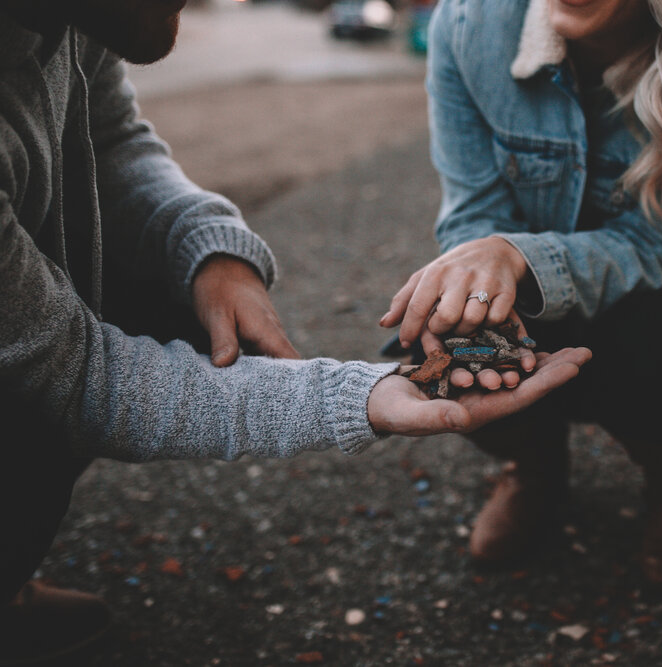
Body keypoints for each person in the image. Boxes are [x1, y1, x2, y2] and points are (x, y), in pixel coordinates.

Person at [0, 0, 591, 662]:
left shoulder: (80, 17)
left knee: (185, 299)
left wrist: (207, 245)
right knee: (31, 401)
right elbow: (77, 378)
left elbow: (111, 137)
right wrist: (350, 396)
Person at [381, 0, 662, 583]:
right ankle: (535, 469)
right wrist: (486, 287)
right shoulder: (468, 23)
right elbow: (472, 213)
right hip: (524, 293)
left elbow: (656, 246)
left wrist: (521, 257)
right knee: (448, 342)